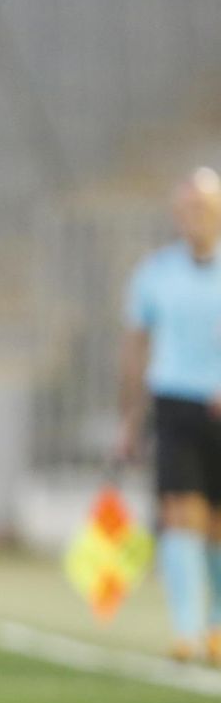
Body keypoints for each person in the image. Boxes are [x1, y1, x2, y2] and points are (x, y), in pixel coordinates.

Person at [118, 167, 221, 663]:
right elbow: (136, 346)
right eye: (185, 208)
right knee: (181, 513)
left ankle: (217, 626)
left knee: (215, 524)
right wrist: (131, 419)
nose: (192, 217)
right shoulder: (155, 272)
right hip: (175, 402)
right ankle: (186, 630)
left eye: (201, 206)